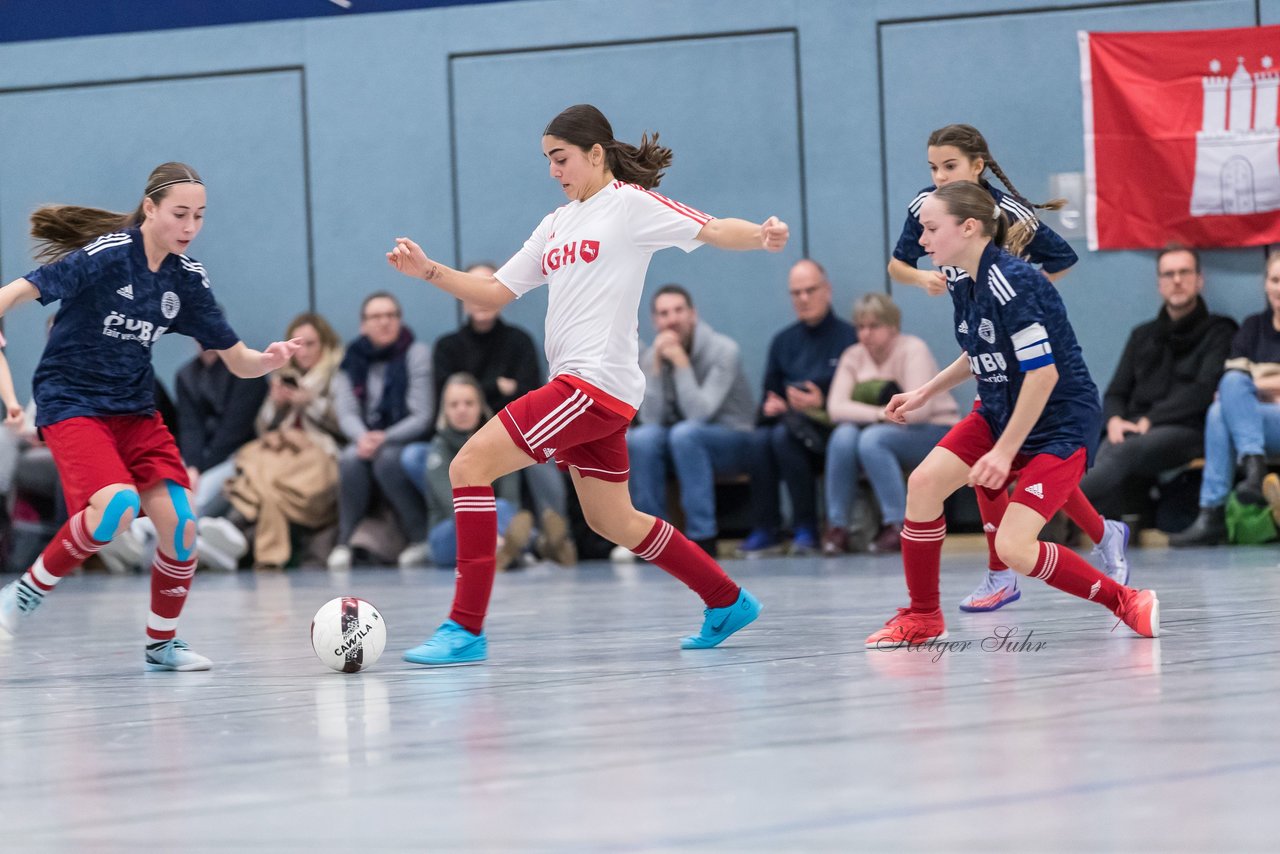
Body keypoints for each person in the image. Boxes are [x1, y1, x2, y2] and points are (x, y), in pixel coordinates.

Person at [386, 103, 787, 665]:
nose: (554, 170)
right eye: (548, 160)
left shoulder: (629, 205)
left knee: (467, 466)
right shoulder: (554, 224)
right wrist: (428, 271)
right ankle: (726, 600)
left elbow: (712, 227)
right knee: (611, 518)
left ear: (596, 155)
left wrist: (760, 236)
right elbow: (497, 291)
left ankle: (465, 628)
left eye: (562, 158)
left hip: (591, 386)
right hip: (588, 391)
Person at [0, 162, 300, 670]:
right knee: (116, 508)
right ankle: (22, 595)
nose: (189, 227)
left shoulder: (187, 280)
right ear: (150, 208)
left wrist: (266, 361)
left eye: (199, 217)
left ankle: (162, 644)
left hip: (135, 410)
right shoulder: (107, 255)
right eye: (180, 214)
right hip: (72, 401)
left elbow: (237, 358)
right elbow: (17, 291)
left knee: (183, 529)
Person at [865, 181, 1159, 650]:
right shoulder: (964, 278)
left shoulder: (1013, 282)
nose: (921, 241)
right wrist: (924, 391)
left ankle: (1125, 600)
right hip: (1002, 411)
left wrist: (1003, 454)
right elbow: (978, 353)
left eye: (931, 229)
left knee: (1013, 548)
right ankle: (923, 616)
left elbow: (1042, 377)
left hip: (1060, 424)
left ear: (969, 227)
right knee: (923, 485)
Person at [886, 123, 1127, 611]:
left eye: (948, 167)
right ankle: (993, 578)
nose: (938, 178)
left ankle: (1028, 571)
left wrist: (1021, 299)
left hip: (1033, 374)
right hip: (992, 368)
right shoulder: (936, 222)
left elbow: (1060, 261)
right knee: (984, 464)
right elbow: (899, 266)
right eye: (932, 168)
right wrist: (922, 283)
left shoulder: (1006, 258)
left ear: (977, 167)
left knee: (1011, 461)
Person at [423, 266, 574, 565]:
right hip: (456, 443)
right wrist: (497, 388)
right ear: (461, 295)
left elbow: (531, 399)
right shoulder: (448, 346)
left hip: (511, 431)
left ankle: (552, 532)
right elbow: (447, 398)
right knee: (418, 459)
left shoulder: (519, 341)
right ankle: (526, 545)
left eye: (487, 286)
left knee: (532, 468)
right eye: (472, 287)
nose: (480, 296)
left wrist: (483, 395)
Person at [1080, 245, 1237, 521]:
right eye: (1169, 274)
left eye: (1184, 272)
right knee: (1093, 446)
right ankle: (1054, 518)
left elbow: (1203, 390)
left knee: (1121, 450)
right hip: (1134, 430)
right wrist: (1115, 419)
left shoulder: (1220, 331)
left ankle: (1046, 506)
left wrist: (1150, 420)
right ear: (1159, 284)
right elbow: (1116, 391)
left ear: (1199, 280)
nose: (1177, 280)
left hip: (1187, 430)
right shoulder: (1143, 335)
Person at [738, 259, 857, 556]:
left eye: (810, 290)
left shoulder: (849, 338)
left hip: (831, 429)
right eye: (796, 293)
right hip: (789, 427)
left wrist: (822, 402)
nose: (804, 299)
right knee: (760, 439)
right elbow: (769, 396)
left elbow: (861, 396)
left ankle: (807, 526)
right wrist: (775, 405)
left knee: (780, 438)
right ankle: (766, 528)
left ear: (827, 290)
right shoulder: (783, 341)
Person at [823, 293, 958, 555]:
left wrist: (877, 418)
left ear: (892, 325)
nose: (866, 334)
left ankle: (899, 525)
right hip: (885, 427)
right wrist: (879, 414)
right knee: (843, 436)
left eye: (874, 326)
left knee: (872, 440)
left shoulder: (912, 349)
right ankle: (837, 527)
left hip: (935, 430)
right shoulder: (852, 355)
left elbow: (919, 412)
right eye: (860, 327)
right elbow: (835, 408)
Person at [627, 284, 755, 556]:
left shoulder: (724, 350)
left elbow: (700, 413)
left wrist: (682, 364)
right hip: (682, 442)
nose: (671, 319)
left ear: (693, 314)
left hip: (734, 437)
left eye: (678, 311)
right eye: (663, 313)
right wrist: (656, 369)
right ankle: (651, 540)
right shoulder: (654, 355)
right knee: (641, 438)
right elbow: (650, 419)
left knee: (686, 434)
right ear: (655, 321)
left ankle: (703, 538)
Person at [1171, 250, 1280, 545]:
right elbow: (1231, 386)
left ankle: (1215, 510)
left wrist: (1254, 385)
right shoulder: (1253, 328)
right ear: (1265, 284)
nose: (1279, 288)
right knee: (1222, 406)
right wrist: (1256, 389)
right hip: (1259, 423)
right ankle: (1245, 477)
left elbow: (1243, 389)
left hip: (1264, 419)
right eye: (1274, 280)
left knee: (1229, 402)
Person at [223, 312, 346, 567]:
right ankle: (225, 538)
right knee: (254, 470)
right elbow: (263, 426)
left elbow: (345, 424)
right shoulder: (282, 375)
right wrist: (278, 404)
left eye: (311, 344)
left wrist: (309, 402)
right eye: (298, 345)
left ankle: (230, 531)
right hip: (281, 452)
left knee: (261, 482)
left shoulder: (336, 376)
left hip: (317, 453)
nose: (304, 352)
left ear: (325, 344)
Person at [326, 292, 432, 570]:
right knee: (349, 459)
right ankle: (344, 542)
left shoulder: (416, 353)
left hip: (406, 439)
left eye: (391, 315)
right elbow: (346, 411)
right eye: (376, 316)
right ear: (363, 324)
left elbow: (422, 415)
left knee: (388, 459)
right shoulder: (352, 358)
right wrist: (363, 437)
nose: (384, 322)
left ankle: (419, 538)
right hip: (365, 438)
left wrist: (384, 438)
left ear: (399, 320)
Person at [420, 373, 534, 572]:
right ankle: (520, 547)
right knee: (492, 512)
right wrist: (494, 536)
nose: (461, 410)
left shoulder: (498, 444)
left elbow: (511, 499)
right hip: (450, 531)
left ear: (481, 406)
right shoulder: (438, 449)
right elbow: (454, 507)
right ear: (444, 411)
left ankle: (508, 549)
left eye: (469, 403)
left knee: (504, 507)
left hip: (495, 518)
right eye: (454, 405)